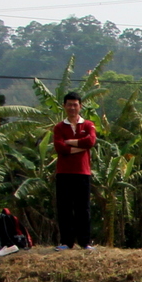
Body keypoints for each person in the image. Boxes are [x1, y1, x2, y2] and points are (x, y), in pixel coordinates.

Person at [52, 91, 96, 251]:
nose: (72, 108)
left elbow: (90, 141)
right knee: (64, 208)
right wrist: (80, 147)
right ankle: (66, 242)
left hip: (82, 173)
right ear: (64, 106)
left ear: (80, 106)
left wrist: (70, 143)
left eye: (75, 105)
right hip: (63, 173)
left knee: (83, 208)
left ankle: (85, 242)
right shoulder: (59, 127)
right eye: (69, 104)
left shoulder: (88, 125)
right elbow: (59, 147)